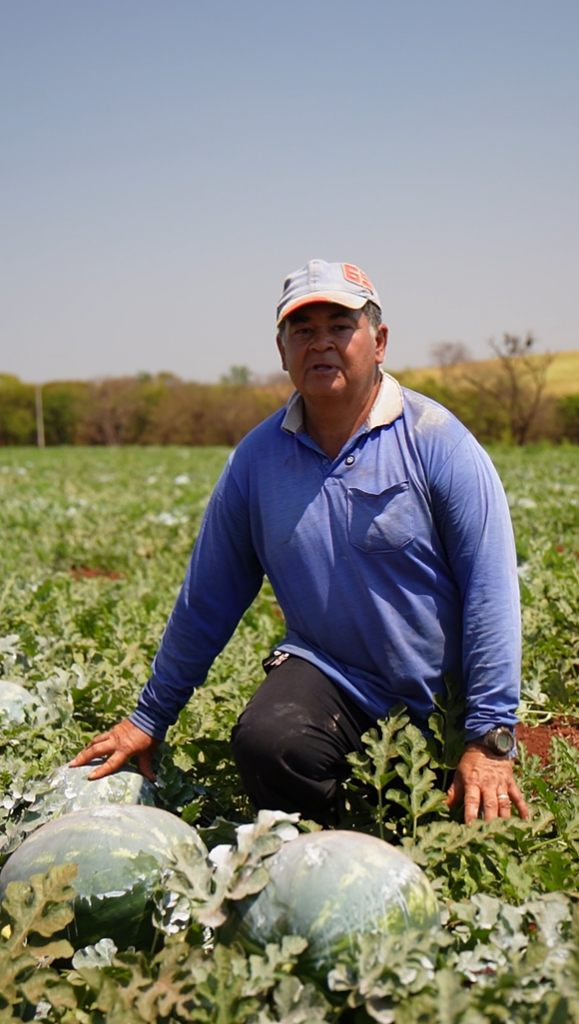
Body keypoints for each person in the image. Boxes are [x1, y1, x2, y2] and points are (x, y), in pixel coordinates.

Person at [71, 259, 529, 827]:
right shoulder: (256, 461)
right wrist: (150, 716)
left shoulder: (437, 441)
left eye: (340, 326)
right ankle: (328, 850)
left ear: (379, 342)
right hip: (335, 679)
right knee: (270, 741)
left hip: (441, 703)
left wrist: (490, 738)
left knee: (458, 810)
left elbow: (491, 589)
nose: (322, 343)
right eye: (303, 330)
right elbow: (207, 598)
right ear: (282, 349)